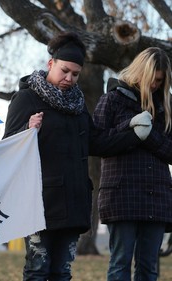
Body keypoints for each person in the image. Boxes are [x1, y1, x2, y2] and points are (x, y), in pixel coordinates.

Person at [2, 31, 140, 281]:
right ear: (50, 63)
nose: (69, 78)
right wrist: (27, 131)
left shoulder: (78, 106)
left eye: (75, 74)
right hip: (39, 203)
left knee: (62, 272)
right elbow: (8, 146)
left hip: (74, 202)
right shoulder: (26, 99)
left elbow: (97, 142)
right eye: (64, 70)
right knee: (37, 270)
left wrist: (135, 133)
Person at [92, 47, 172, 281]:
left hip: (156, 197)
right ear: (140, 73)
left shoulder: (165, 108)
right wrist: (129, 130)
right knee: (120, 263)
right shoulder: (112, 100)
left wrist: (150, 136)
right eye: (153, 79)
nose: (156, 85)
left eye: (161, 80)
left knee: (149, 268)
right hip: (121, 195)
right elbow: (96, 144)